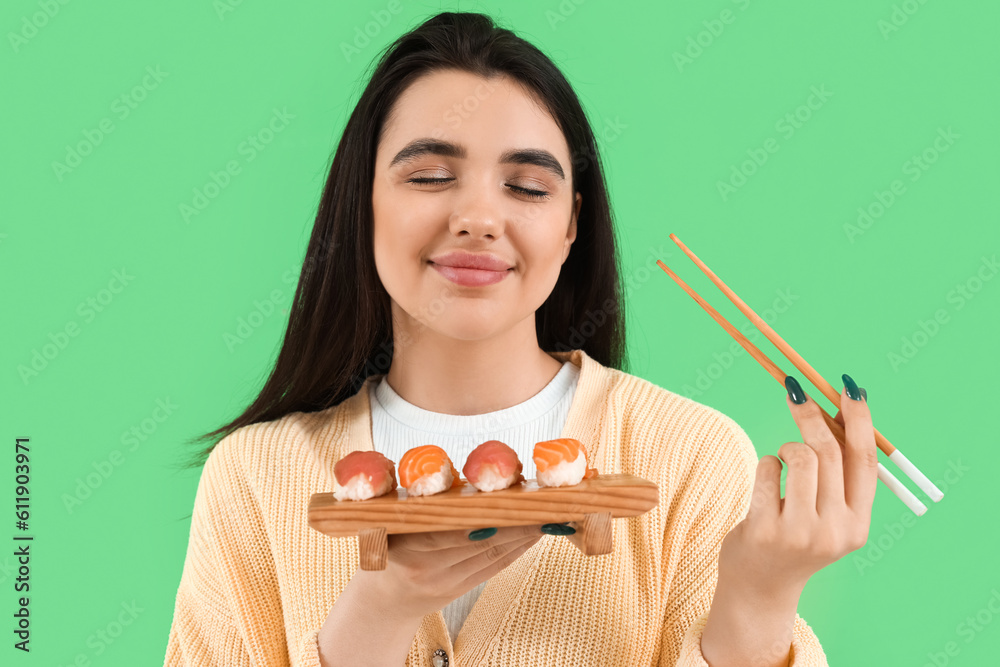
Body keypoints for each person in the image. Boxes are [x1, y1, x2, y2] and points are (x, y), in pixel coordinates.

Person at [164, 11, 877, 667]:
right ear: (363, 204)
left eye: (528, 188)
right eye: (431, 175)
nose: (477, 216)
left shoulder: (689, 455)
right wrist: (377, 613)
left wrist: (758, 598)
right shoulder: (255, 478)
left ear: (571, 225)